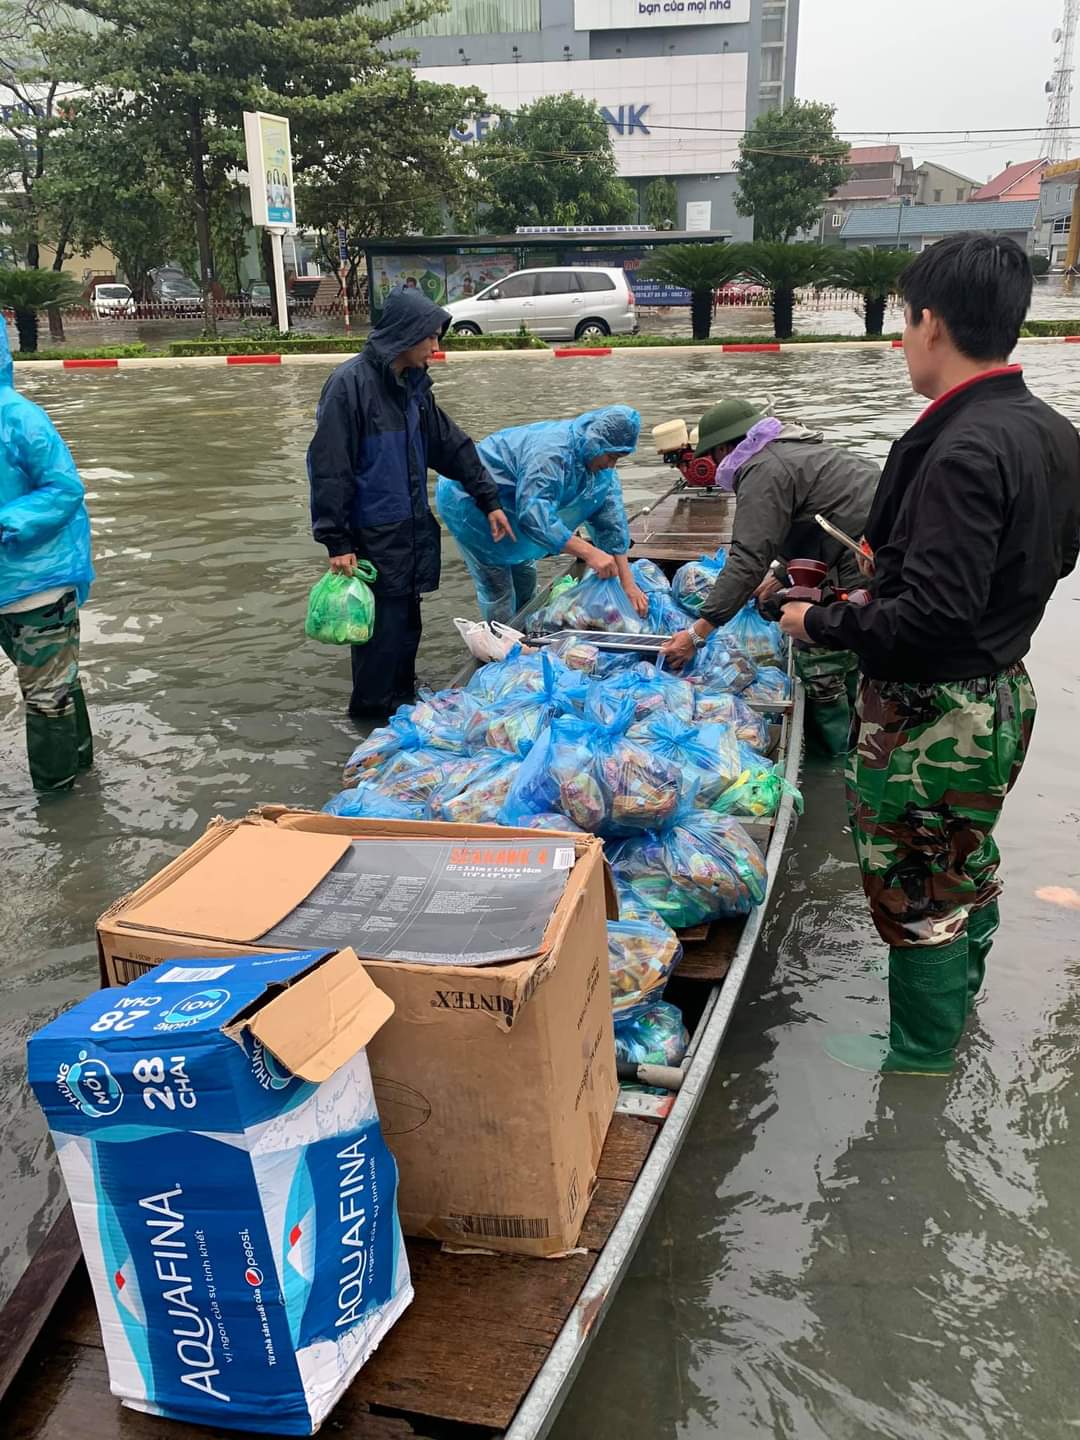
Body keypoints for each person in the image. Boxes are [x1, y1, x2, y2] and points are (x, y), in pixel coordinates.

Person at [779, 233, 1080, 1075]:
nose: (903, 341)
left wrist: (822, 624)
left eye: (905, 322)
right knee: (962, 863)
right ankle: (955, 1019)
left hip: (930, 717)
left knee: (916, 896)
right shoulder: (1049, 431)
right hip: (1001, 694)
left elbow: (932, 619)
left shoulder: (962, 449)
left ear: (932, 323)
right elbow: (1052, 559)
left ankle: (918, 1063)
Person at [308, 285, 512, 718]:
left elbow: (450, 446)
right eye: (430, 337)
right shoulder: (349, 386)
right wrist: (337, 540)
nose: (436, 348)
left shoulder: (413, 390)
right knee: (379, 636)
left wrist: (487, 498)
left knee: (406, 626)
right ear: (405, 334)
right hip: (371, 535)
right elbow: (329, 466)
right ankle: (370, 717)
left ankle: (401, 702)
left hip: (410, 529)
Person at [660, 397, 880, 755]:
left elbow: (747, 557)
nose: (715, 465)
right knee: (855, 645)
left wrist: (696, 633)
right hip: (865, 547)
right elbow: (813, 519)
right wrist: (778, 574)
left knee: (819, 650)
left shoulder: (762, 469)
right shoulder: (788, 450)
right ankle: (857, 729)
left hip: (860, 559)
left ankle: (836, 754)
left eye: (714, 456)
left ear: (728, 447)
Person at [435, 406, 646, 626]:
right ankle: (505, 644)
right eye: (611, 457)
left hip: (512, 506)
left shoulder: (602, 471)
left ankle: (526, 628)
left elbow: (611, 523)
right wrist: (589, 552)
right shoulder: (552, 454)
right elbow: (534, 515)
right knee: (499, 587)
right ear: (596, 442)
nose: (611, 465)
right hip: (469, 503)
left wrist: (627, 583)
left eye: (618, 458)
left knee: (525, 575)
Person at [0, 321, 94, 792]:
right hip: (4, 590)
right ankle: (82, 771)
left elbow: (64, 489)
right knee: (58, 686)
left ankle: (59, 808)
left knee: (45, 699)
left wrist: (6, 523)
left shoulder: (18, 418)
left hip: (39, 587)